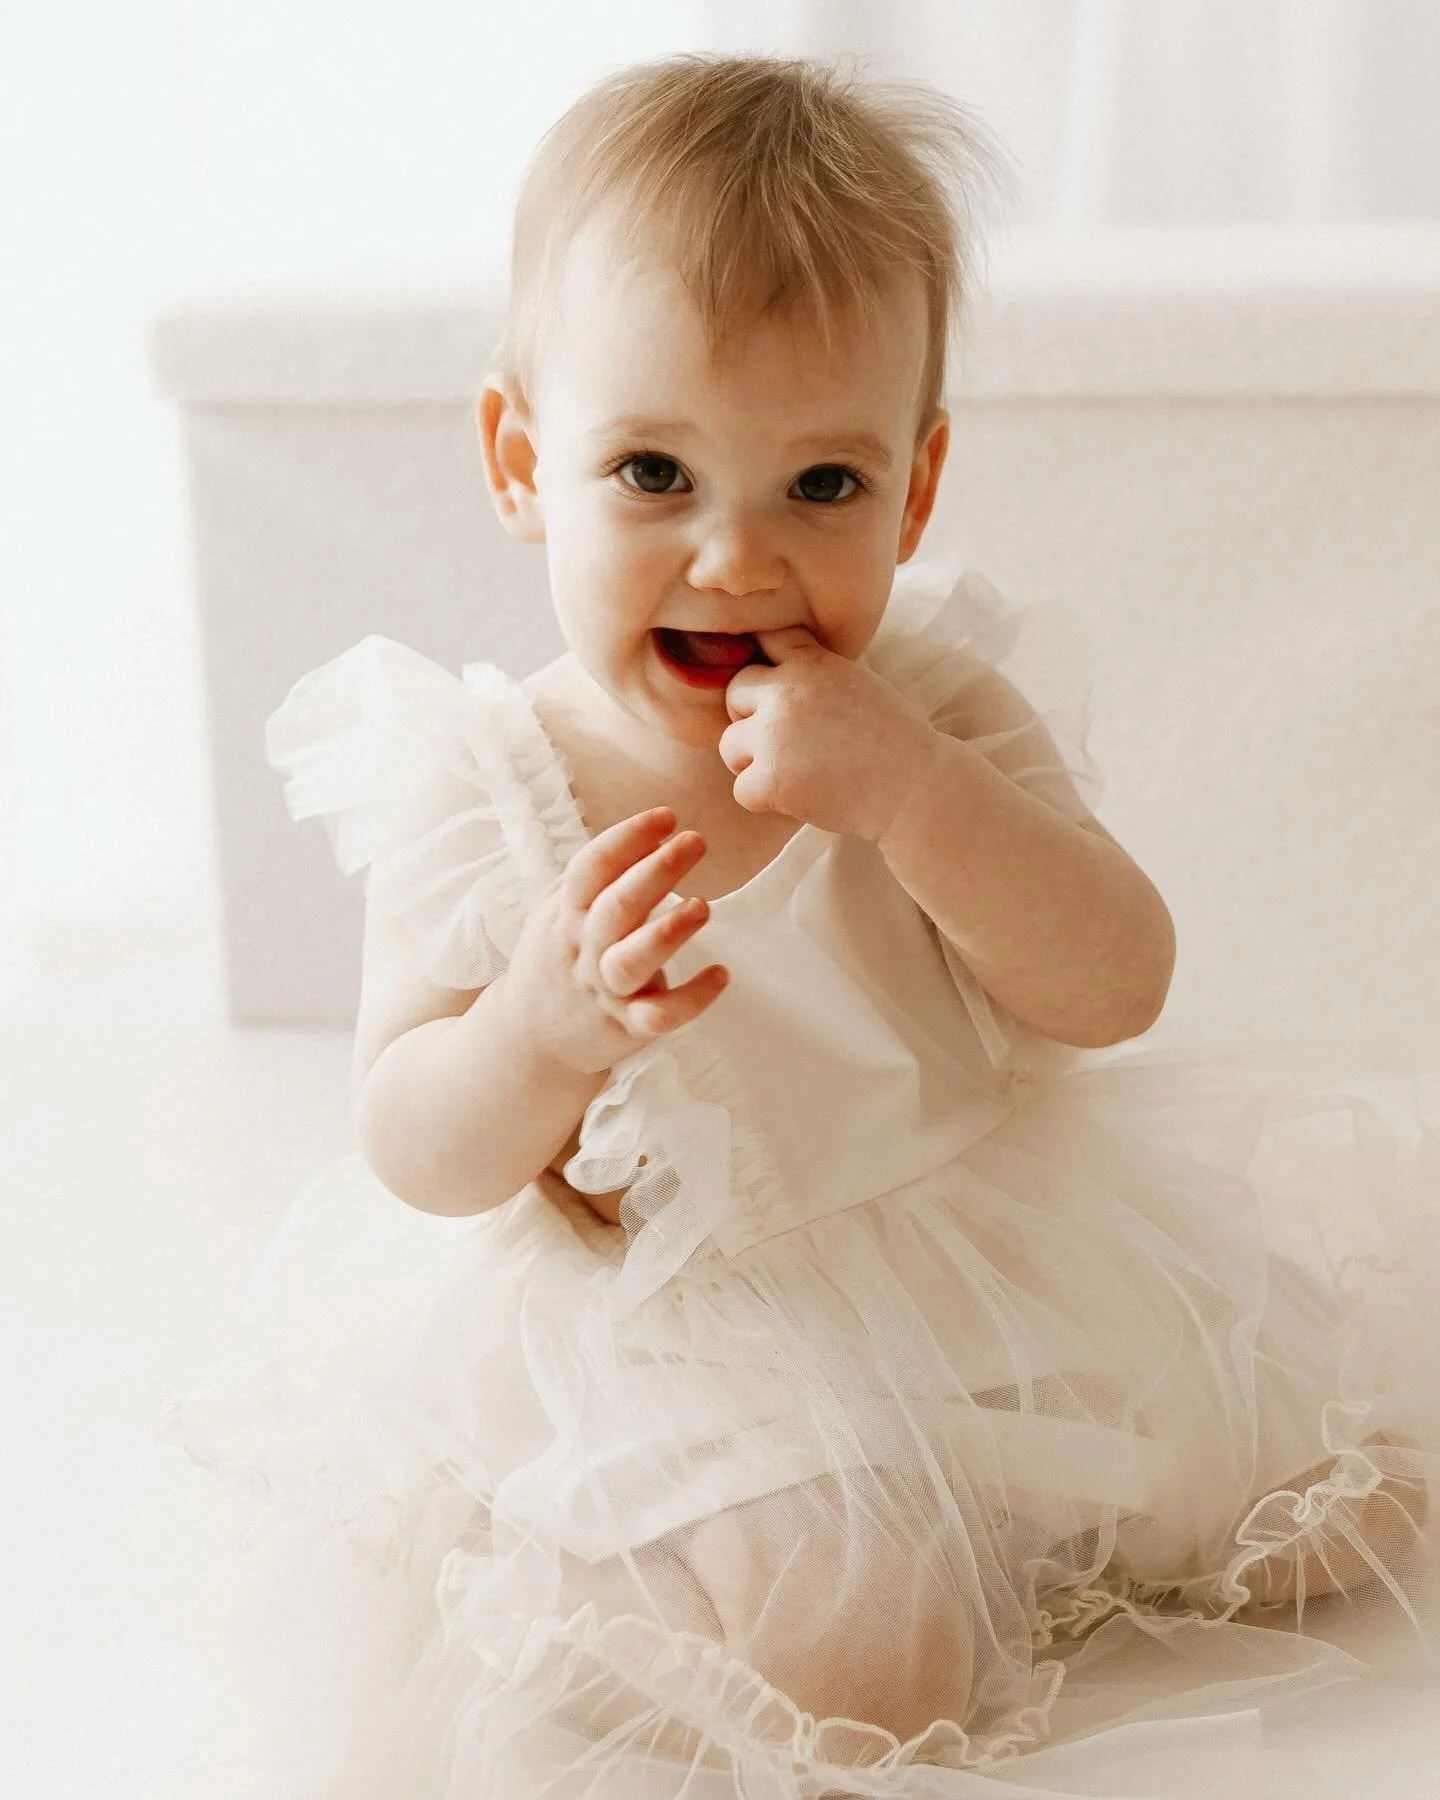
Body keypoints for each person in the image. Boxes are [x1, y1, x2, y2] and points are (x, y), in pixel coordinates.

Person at [155, 52, 1440, 1800]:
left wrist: (914, 796)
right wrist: (537, 1030)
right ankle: (583, 1571)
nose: (737, 559)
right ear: (523, 463)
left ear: (912, 493)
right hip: (691, 1331)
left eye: (818, 489)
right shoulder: (487, 785)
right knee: (873, 1669)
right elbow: (414, 1141)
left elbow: (1112, 984)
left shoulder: (937, 708)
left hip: (991, 1235)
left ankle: (1026, 1522)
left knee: (1345, 1501)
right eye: (653, 473)